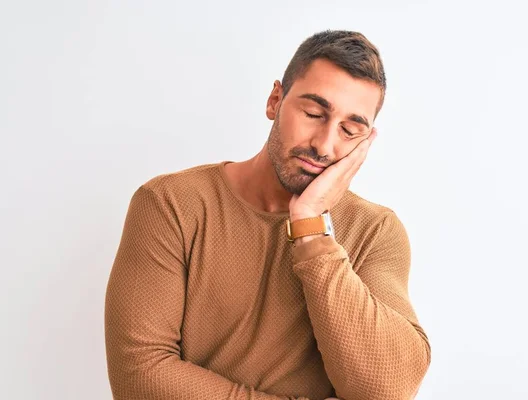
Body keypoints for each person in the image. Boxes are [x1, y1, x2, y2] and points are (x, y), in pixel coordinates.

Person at [104, 29, 431, 400]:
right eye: (313, 113)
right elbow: (140, 377)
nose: (324, 144)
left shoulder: (375, 231)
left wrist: (311, 227)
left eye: (349, 130)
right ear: (275, 100)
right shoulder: (171, 204)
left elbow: (387, 390)